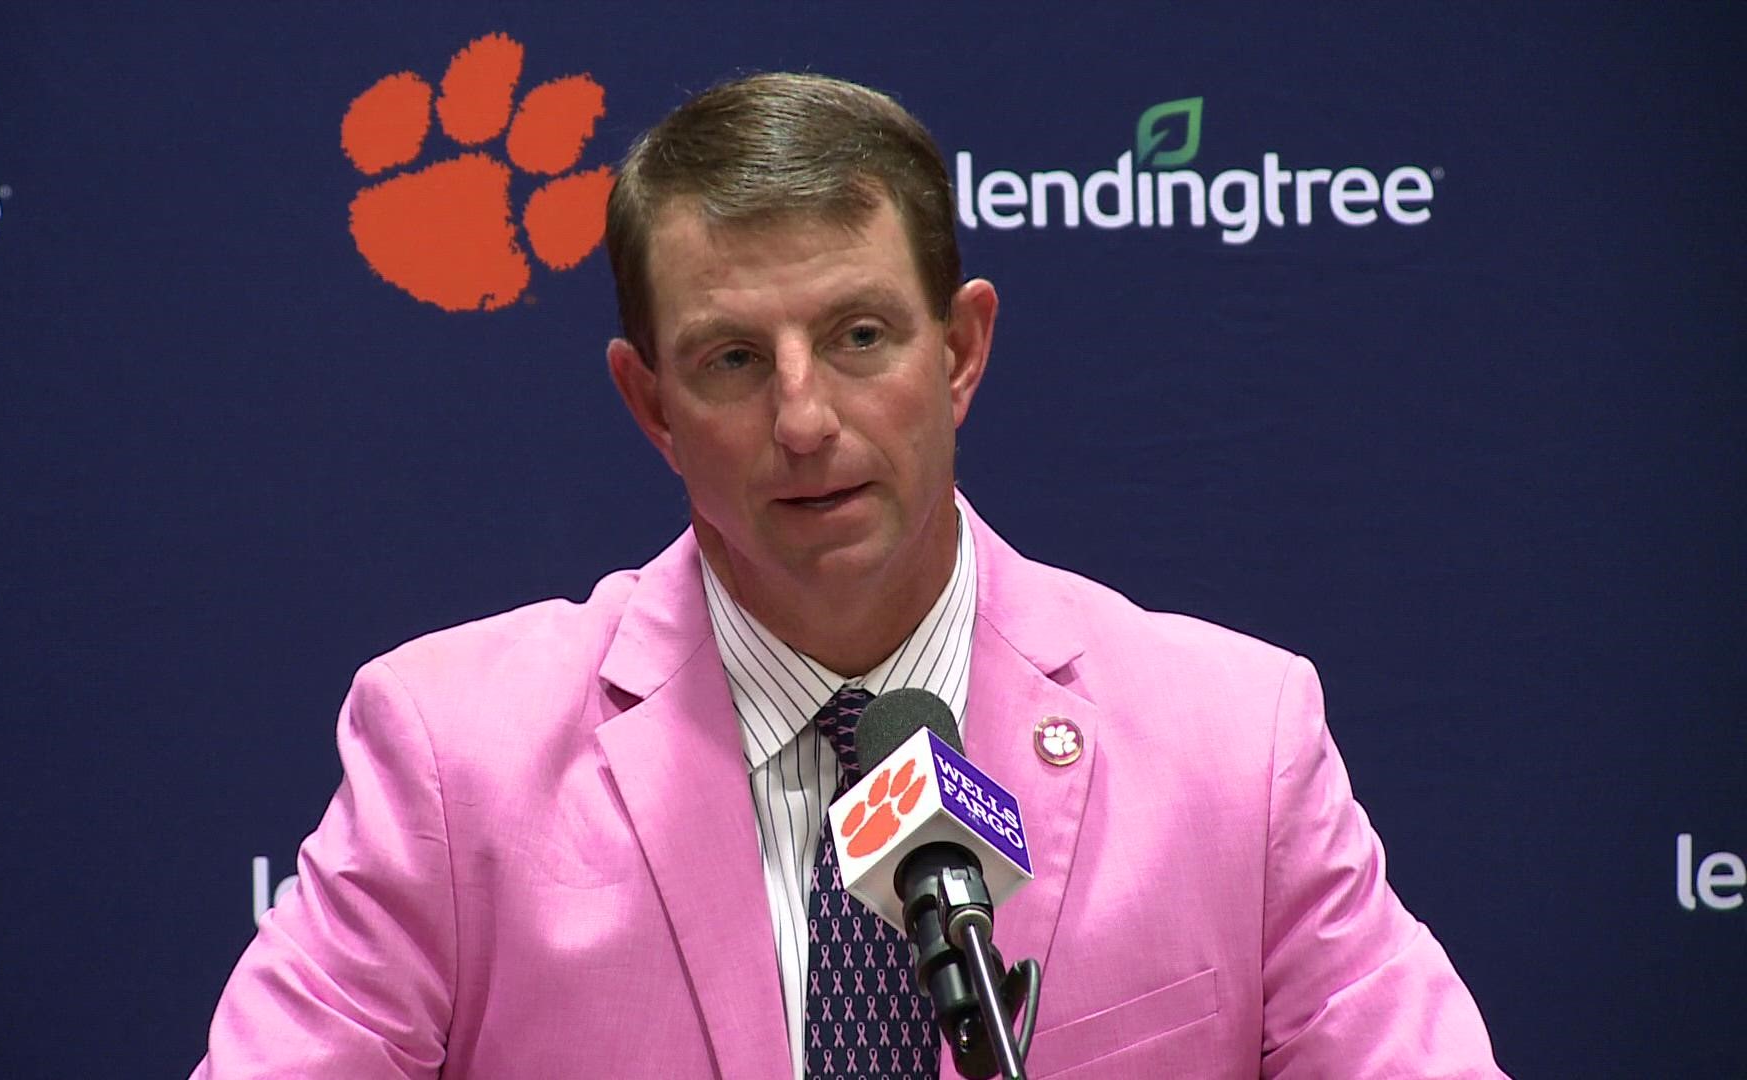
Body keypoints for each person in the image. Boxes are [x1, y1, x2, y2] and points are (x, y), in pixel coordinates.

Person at [193, 72, 1505, 1078]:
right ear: (649, 405)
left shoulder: (1234, 747)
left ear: (963, 351)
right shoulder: (457, 756)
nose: (806, 418)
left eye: (861, 335)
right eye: (733, 362)